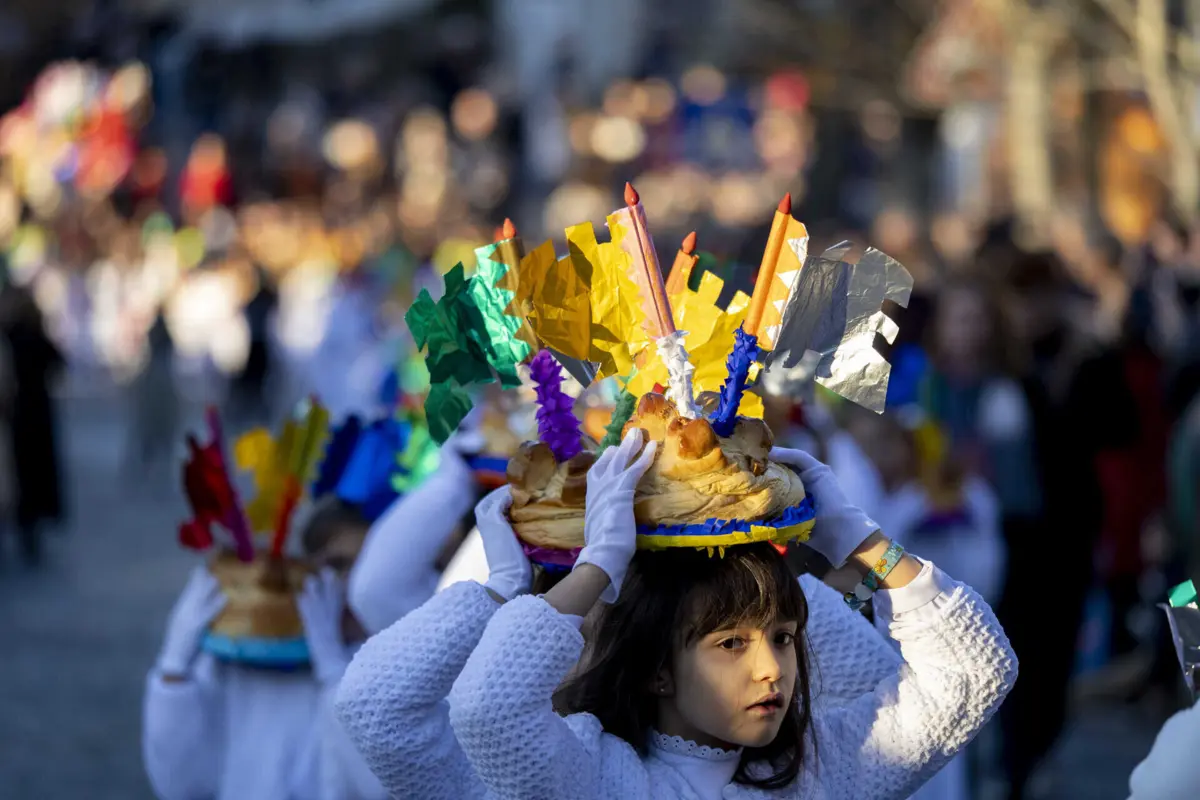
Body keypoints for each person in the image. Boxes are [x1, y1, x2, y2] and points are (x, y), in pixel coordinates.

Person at [337, 430, 1017, 799]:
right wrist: (533, 583)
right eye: (730, 644)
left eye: (782, 639)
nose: (771, 670)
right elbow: (388, 710)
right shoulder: (586, 779)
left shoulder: (824, 772)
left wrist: (861, 541)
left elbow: (974, 675)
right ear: (657, 669)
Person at [140, 449, 474, 800]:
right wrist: (173, 674)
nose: (347, 587)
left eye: (364, 568)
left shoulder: (411, 671)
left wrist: (333, 672)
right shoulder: (248, 658)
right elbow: (181, 786)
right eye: (337, 565)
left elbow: (378, 787)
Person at [0, 278, 65, 563]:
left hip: (22, 417)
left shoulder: (15, 335)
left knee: (21, 480)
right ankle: (28, 535)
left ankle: (26, 533)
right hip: (30, 416)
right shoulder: (24, 334)